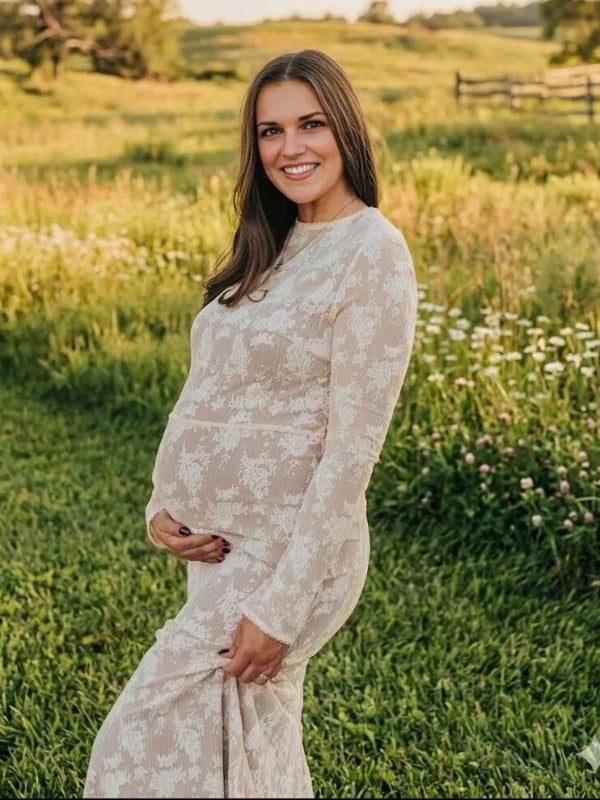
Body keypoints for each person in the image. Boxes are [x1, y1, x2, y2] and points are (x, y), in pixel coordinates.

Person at [83, 48, 418, 799]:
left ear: (348, 132)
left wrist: (282, 607)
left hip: (288, 558)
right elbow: (212, 391)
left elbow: (352, 451)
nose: (290, 148)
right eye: (270, 131)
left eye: (311, 124)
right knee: (241, 755)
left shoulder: (373, 254)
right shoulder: (270, 244)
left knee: (135, 752)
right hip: (223, 552)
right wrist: (161, 505)